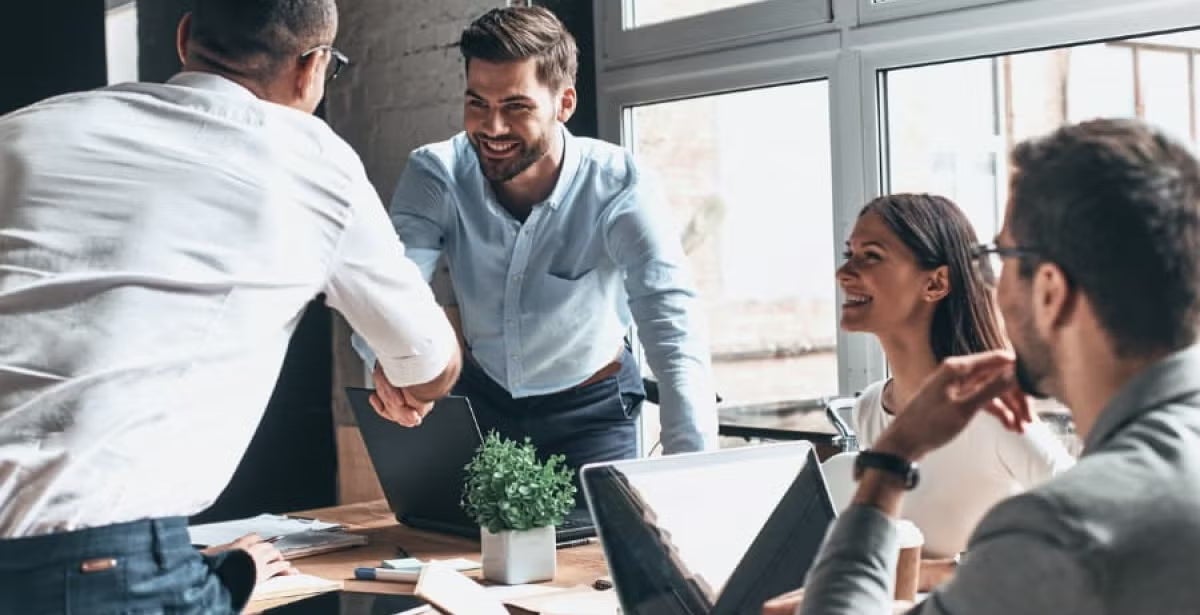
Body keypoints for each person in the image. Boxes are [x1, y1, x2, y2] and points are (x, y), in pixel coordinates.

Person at [0, 1, 462, 613]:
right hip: (100, 568)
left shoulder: (22, 131)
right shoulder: (309, 160)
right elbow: (429, 364)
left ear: (186, 36)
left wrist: (220, 580)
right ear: (312, 68)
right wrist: (404, 378)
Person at [764, 118, 1200, 615]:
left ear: (1051, 292)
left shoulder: (1063, 529)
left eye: (999, 256)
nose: (989, 282)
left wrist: (890, 461)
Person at [365, 6, 718, 475]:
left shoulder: (620, 186)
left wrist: (692, 474)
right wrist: (386, 363)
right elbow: (392, 284)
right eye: (478, 104)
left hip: (591, 413)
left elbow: (672, 325)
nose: (492, 128)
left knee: (598, 549)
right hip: (482, 403)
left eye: (516, 107)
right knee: (461, 546)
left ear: (564, 103)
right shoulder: (437, 173)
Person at [836, 193, 1072, 586]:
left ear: (936, 282)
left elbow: (1092, 528)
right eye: (850, 253)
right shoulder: (870, 408)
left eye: (871, 256)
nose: (844, 272)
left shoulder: (992, 413)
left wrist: (936, 573)